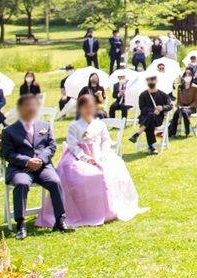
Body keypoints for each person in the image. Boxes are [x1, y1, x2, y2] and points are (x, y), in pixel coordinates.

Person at [38, 95, 147, 228]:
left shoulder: (100, 124)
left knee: (112, 170)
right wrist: (85, 158)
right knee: (83, 175)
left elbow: (106, 141)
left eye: (91, 107)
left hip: (99, 153)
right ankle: (86, 211)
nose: (89, 110)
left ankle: (110, 208)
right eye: (85, 108)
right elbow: (73, 146)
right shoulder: (74, 126)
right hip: (79, 155)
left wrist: (103, 154)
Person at [0, 95, 73, 239]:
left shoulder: (45, 126)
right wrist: (27, 162)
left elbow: (51, 146)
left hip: (42, 165)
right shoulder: (9, 131)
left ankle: (60, 220)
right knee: (21, 183)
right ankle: (21, 225)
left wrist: (39, 160)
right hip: (20, 168)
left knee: (55, 182)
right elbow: (8, 154)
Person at [129, 74, 172, 155]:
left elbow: (170, 105)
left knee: (151, 117)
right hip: (144, 118)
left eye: (152, 80)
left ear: (156, 81)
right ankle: (151, 147)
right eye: (148, 80)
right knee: (150, 116)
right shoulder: (143, 95)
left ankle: (137, 134)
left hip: (157, 119)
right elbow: (142, 108)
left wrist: (162, 108)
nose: (150, 82)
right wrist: (153, 110)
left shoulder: (162, 94)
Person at [171, 71, 197, 138]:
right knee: (176, 114)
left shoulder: (195, 88)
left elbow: (196, 101)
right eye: (186, 76)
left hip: (191, 108)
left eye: (189, 76)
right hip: (182, 106)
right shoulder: (180, 87)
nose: (187, 77)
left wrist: (189, 107)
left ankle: (187, 132)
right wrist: (179, 106)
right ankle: (173, 133)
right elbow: (178, 100)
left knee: (185, 113)